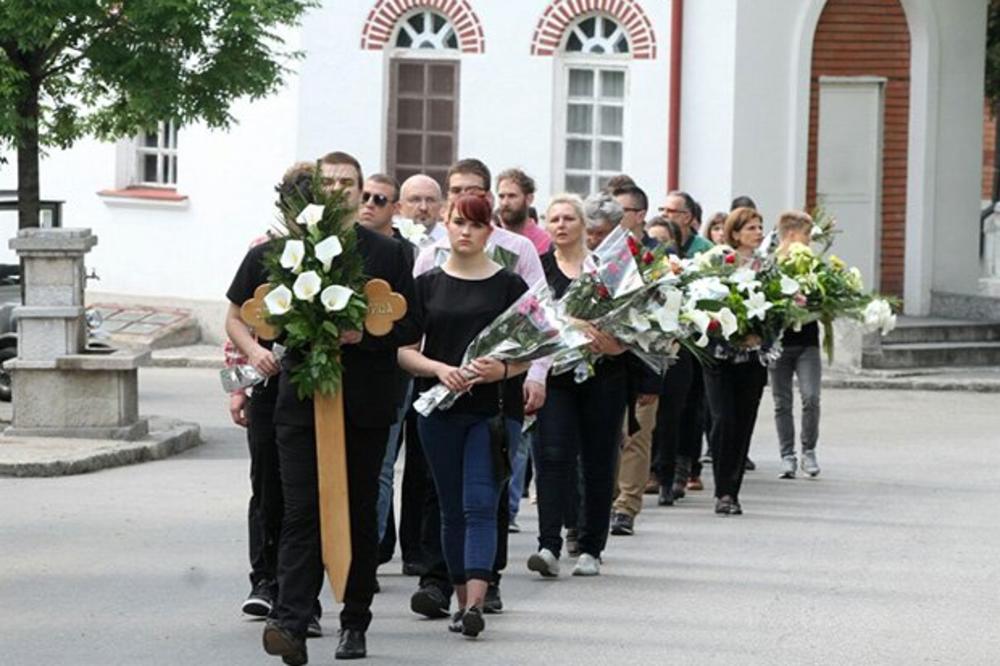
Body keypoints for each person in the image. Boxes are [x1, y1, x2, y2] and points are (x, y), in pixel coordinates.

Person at [262, 151, 420, 663]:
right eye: (327, 182)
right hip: (302, 400)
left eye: (348, 182)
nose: (338, 190)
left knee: (355, 511)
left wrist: (360, 336)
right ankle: (291, 619)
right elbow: (266, 316)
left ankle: (355, 621)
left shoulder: (389, 254)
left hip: (366, 401)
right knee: (300, 510)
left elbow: (407, 324)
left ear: (360, 190)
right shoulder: (289, 251)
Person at [410, 158, 546, 620]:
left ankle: (474, 603)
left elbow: (532, 349)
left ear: (491, 231)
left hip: (494, 410)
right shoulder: (426, 284)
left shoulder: (509, 285)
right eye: (458, 222)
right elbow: (403, 351)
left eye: (475, 224)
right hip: (439, 406)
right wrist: (438, 367)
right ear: (445, 226)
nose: (465, 232)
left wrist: (502, 370)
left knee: (480, 503)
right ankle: (455, 590)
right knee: (450, 506)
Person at [224, 162, 311, 626]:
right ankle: (264, 578)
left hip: (319, 388)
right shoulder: (262, 254)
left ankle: (300, 592)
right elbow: (235, 319)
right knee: (266, 485)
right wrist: (245, 366)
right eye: (294, 206)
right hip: (266, 386)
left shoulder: (337, 260)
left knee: (303, 493)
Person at [527, 193, 629, 577]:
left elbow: (632, 320)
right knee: (552, 456)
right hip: (554, 376)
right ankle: (548, 545)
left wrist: (616, 343)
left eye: (569, 218)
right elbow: (528, 319)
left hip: (604, 374)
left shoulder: (607, 268)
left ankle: (590, 547)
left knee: (599, 460)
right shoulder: (537, 268)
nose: (562, 225)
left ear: (584, 225)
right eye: (554, 219)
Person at [702, 207, 768, 516]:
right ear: (736, 232)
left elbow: (777, 310)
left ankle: (732, 492)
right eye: (752, 228)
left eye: (760, 227)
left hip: (752, 358)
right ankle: (721, 486)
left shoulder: (767, 267)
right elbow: (701, 303)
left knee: (743, 422)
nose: (758, 232)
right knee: (722, 420)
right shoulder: (719, 261)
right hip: (719, 356)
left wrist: (761, 335)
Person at [770, 211, 822, 479]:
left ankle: (809, 451)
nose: (809, 241)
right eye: (806, 235)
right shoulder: (771, 265)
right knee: (782, 401)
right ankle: (787, 455)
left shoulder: (813, 265)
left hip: (807, 342)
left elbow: (824, 296)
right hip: (780, 343)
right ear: (791, 235)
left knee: (811, 397)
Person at [496, 168, 550, 254]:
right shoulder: (490, 236)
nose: (505, 203)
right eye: (501, 196)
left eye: (512, 196)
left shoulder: (544, 241)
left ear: (529, 199)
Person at [663, 191, 713, 257]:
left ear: (687, 217)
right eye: (662, 209)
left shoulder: (706, 249)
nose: (663, 214)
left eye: (670, 211)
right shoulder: (657, 246)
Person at [399, 174, 446, 243]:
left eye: (430, 200)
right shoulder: (387, 241)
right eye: (415, 200)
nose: (423, 207)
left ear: (440, 206)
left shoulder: (452, 242)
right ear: (400, 207)